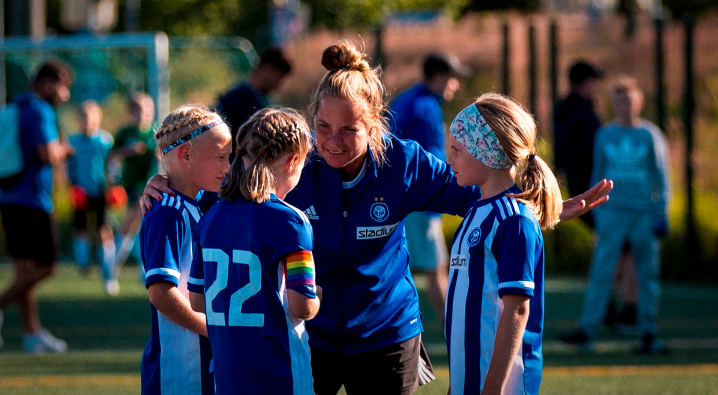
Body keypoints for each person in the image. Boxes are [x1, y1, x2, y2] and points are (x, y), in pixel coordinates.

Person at [144, 41, 612, 395]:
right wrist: (166, 187)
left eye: (349, 130)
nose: (332, 141)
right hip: (312, 336)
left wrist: (542, 207)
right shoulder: (294, 165)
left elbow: (478, 193)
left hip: (388, 333)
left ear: (375, 126)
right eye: (322, 128)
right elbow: (228, 204)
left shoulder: (404, 164)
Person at [188, 107, 321, 395]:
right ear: (293, 161)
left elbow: (198, 301)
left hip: (227, 373)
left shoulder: (211, 216)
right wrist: (317, 298)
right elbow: (301, 306)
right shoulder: (291, 220)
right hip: (280, 373)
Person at [445, 93, 562, 395]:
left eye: (458, 150)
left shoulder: (513, 220)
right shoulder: (475, 210)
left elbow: (516, 310)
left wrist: (493, 387)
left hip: (499, 386)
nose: (449, 159)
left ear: (487, 151)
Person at [560, 77, 670, 354]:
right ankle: (587, 330)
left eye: (629, 101)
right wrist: (597, 212)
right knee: (601, 273)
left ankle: (648, 334)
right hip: (613, 215)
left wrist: (661, 213)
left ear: (639, 103)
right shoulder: (605, 135)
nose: (625, 107)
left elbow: (662, 177)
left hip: (643, 215)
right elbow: (598, 174)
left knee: (647, 276)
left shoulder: (650, 135)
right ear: (614, 104)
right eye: (620, 101)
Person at [139, 105, 231, 395]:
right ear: (187, 155)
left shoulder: (200, 203)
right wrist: (211, 328)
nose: (227, 167)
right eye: (220, 158)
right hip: (177, 368)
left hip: (202, 361)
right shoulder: (168, 213)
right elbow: (161, 293)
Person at [388, 53, 469, 324]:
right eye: (451, 78)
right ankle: (456, 330)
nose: (454, 85)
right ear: (438, 76)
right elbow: (425, 163)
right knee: (435, 268)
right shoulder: (425, 107)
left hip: (403, 197)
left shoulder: (409, 100)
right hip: (419, 200)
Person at [0, 61, 74, 353]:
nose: (65, 96)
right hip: (32, 200)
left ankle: (32, 334)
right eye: (63, 88)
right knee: (48, 266)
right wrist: (66, 149)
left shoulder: (14, 105)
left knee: (24, 269)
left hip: (7, 196)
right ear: (49, 85)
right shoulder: (39, 109)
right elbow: (48, 154)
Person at [67, 100, 118, 294]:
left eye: (90, 117)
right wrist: (71, 185)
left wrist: (113, 185)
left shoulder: (104, 140)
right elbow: (67, 166)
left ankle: (108, 273)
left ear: (98, 119)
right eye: (83, 117)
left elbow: (112, 165)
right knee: (81, 228)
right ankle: (83, 263)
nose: (87, 121)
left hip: (100, 192)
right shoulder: (73, 140)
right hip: (81, 191)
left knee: (104, 229)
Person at [216, 47, 293, 162]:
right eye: (279, 78)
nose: (278, 85)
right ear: (268, 70)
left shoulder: (239, 93)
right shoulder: (245, 98)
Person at [112, 92, 158, 281]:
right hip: (131, 184)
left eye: (147, 110)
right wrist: (128, 151)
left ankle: (117, 261)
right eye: (139, 110)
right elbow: (111, 155)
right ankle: (113, 263)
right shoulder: (126, 133)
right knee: (137, 217)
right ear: (131, 113)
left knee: (138, 226)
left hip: (151, 184)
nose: (144, 114)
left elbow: (165, 154)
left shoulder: (154, 133)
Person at [553, 60, 604, 228]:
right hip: (589, 181)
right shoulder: (583, 112)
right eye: (593, 80)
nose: (595, 85)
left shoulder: (564, 108)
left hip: (574, 180)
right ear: (586, 81)